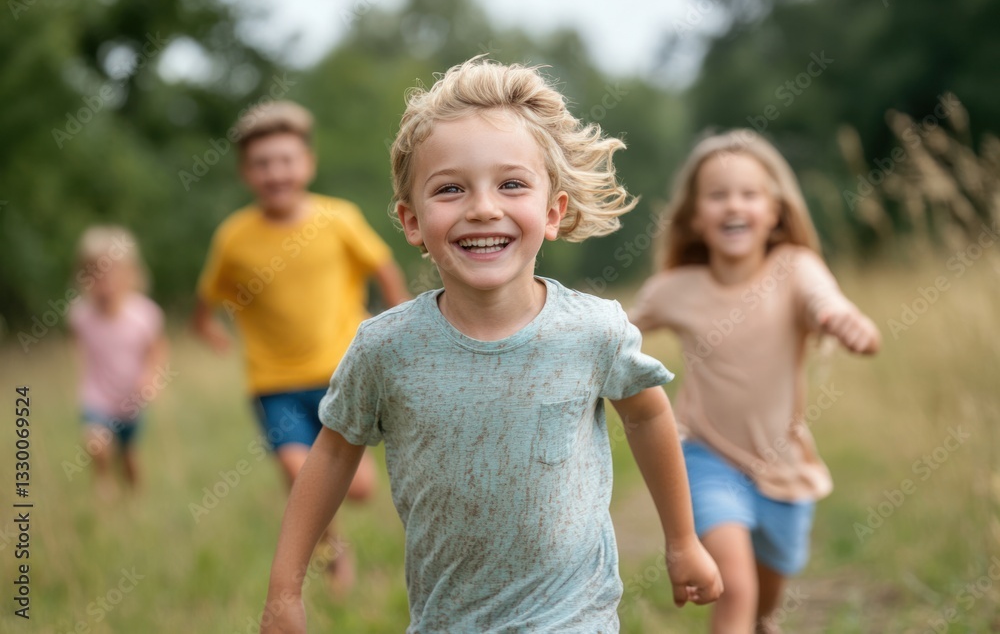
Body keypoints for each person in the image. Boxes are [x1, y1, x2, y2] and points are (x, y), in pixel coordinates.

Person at [260, 58, 722, 634]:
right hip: (446, 620)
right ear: (412, 221)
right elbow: (330, 455)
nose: (483, 207)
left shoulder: (592, 331)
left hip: (573, 613)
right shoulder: (386, 349)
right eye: (450, 189)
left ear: (552, 212)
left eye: (511, 184)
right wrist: (284, 591)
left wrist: (682, 541)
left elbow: (649, 416)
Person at [628, 130, 881, 633]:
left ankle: (763, 622)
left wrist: (845, 320)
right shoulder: (676, 290)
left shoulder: (795, 269)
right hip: (704, 455)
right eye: (717, 195)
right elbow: (617, 328)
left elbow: (825, 300)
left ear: (775, 211)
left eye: (748, 194)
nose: (733, 206)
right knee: (735, 586)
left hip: (782, 463)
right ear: (696, 218)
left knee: (768, 589)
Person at [191, 100, 409, 590]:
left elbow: (384, 269)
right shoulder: (233, 238)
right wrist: (207, 330)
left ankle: (339, 528)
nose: (276, 172)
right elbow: (206, 300)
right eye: (262, 163)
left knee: (357, 490)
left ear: (307, 163)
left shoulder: (339, 219)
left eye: (286, 160)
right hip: (274, 384)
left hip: (342, 375)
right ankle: (334, 551)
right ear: (247, 173)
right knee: (299, 469)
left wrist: (400, 322)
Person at [68, 225, 168, 499]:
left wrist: (151, 378)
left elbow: (157, 351)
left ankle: (135, 499)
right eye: (95, 274)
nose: (104, 282)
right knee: (96, 443)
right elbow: (79, 347)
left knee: (129, 457)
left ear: (131, 274)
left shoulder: (144, 314)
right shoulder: (80, 315)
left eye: (111, 273)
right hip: (97, 397)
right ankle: (103, 482)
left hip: (131, 400)